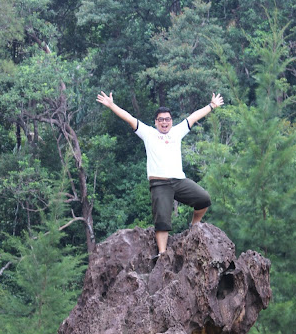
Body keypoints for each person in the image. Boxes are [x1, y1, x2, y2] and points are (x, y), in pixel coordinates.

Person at [96, 91, 224, 256]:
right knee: (162, 220)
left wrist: (212, 105)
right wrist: (112, 105)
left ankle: (194, 226)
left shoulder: (177, 132)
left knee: (204, 199)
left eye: (167, 119)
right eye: (161, 119)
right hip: (160, 183)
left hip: (179, 181)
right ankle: (162, 254)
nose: (165, 122)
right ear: (156, 122)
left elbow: (193, 117)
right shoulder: (148, 133)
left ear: (171, 121)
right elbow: (128, 118)